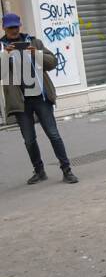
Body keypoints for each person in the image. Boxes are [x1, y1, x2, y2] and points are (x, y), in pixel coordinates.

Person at [0, 12, 78, 183]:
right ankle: (39, 171)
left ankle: (67, 170)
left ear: (20, 25)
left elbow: (53, 63)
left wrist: (36, 53)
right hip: (20, 102)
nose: (13, 30)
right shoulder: (1, 47)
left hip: (40, 97)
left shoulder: (34, 42)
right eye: (10, 27)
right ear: (4, 28)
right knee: (29, 140)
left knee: (53, 134)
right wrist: (4, 55)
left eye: (15, 26)